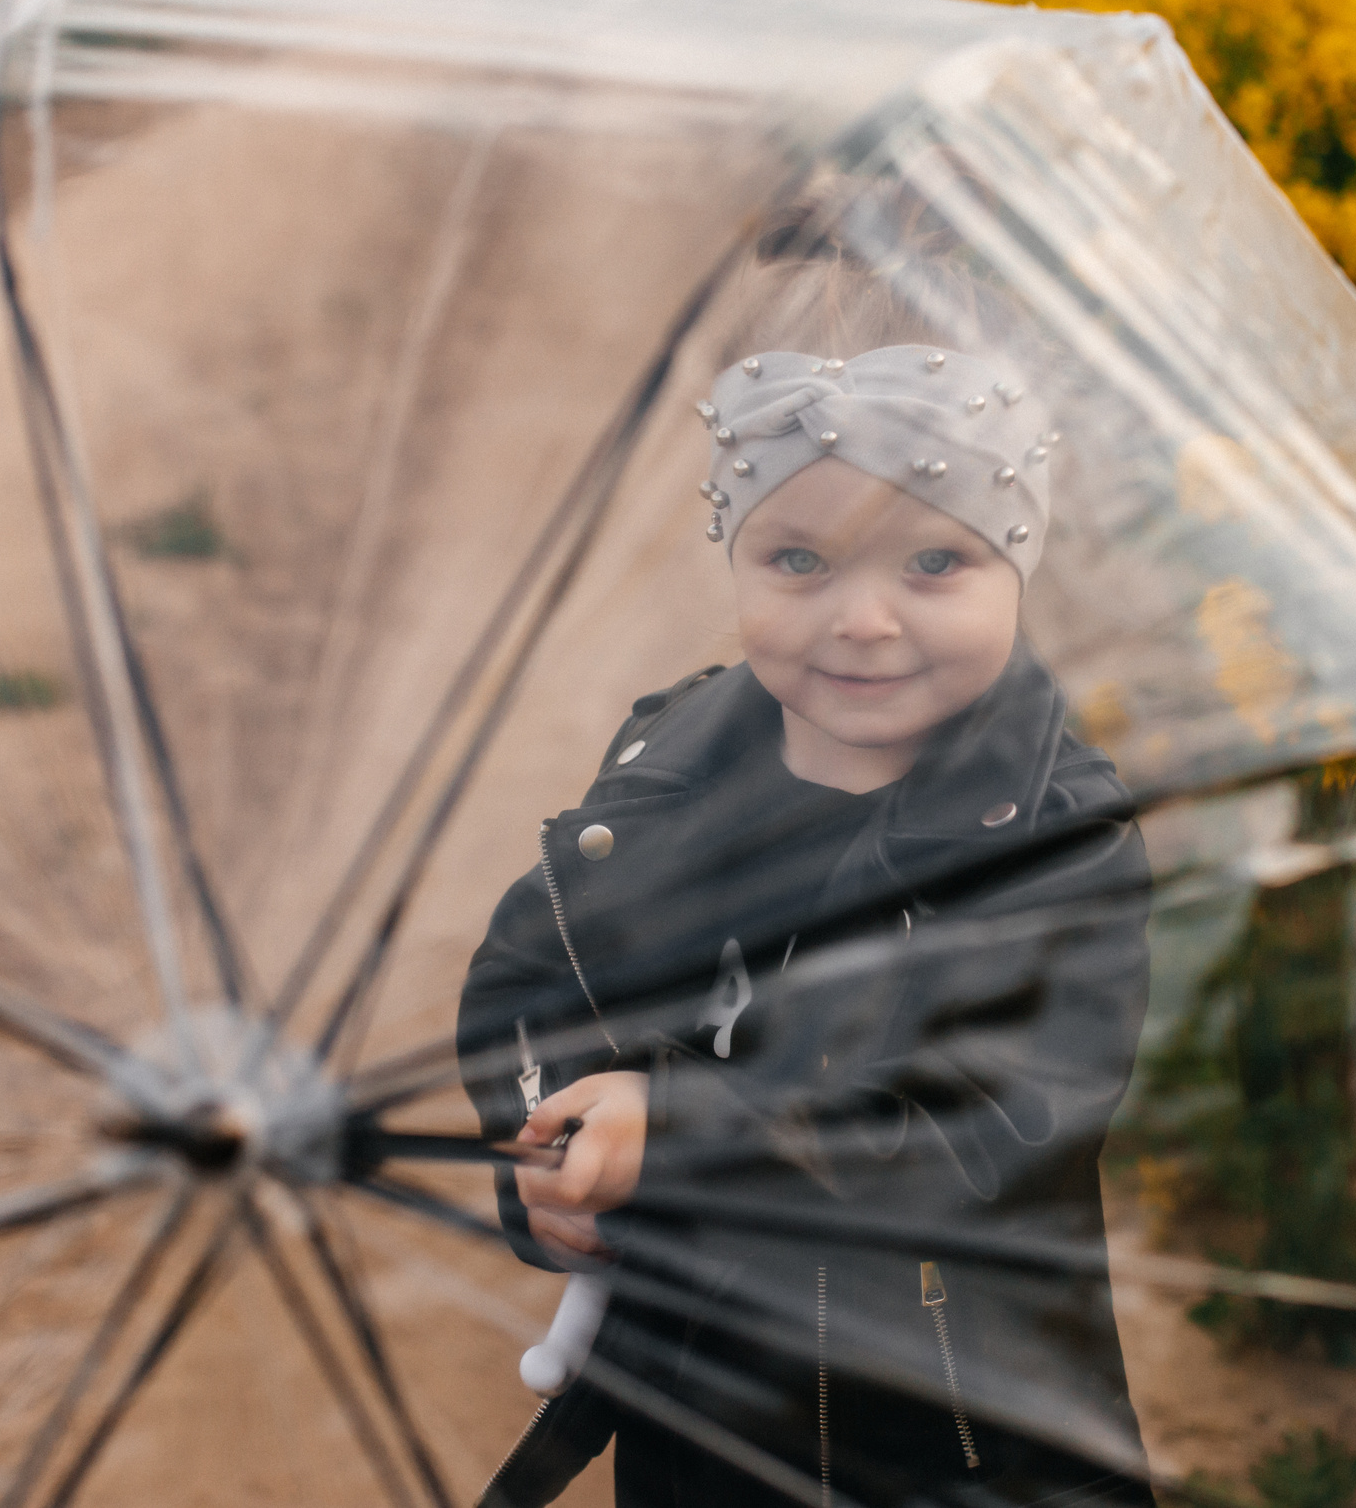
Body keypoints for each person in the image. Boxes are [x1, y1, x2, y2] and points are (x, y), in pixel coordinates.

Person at [458, 344, 1155, 1508]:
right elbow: (543, 984)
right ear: (735, 563)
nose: (864, 620)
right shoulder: (661, 769)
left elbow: (985, 1132)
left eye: (934, 561)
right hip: (695, 1402)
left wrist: (685, 1130)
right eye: (799, 561)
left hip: (950, 1427)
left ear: (1019, 566)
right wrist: (557, 1149)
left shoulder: (1052, 836)